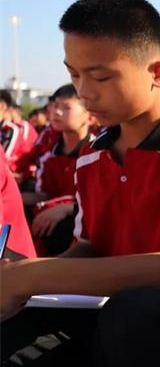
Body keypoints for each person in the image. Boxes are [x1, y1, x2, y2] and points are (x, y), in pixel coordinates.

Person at [0, 0, 160, 367]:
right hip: (105, 306)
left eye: (101, 76)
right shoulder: (92, 155)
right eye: (74, 75)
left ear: (158, 74)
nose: (84, 91)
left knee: (135, 316)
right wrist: (20, 276)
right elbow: (88, 245)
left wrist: (32, 277)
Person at [22, 84, 94, 255]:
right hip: (51, 211)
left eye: (66, 107)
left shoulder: (99, 153)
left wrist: (65, 208)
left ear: (90, 117)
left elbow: (98, 203)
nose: (57, 112)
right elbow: (45, 194)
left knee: (62, 228)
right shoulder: (50, 156)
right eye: (55, 106)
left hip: (82, 219)